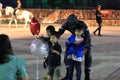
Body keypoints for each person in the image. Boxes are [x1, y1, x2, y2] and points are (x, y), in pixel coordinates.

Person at [57, 14, 92, 80]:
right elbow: (58, 33)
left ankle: (87, 76)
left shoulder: (83, 24)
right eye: (71, 25)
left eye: (74, 25)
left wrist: (85, 47)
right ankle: (68, 75)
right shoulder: (66, 24)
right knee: (66, 57)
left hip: (85, 41)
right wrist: (49, 38)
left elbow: (87, 37)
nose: (73, 27)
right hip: (74, 41)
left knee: (88, 57)